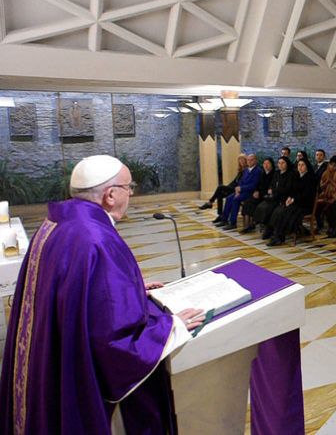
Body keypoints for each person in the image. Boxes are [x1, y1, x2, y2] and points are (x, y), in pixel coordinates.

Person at [0, 155, 204, 434]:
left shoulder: (58, 222)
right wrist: (171, 327)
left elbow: (72, 285)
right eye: (128, 187)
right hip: (84, 382)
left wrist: (129, 289)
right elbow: (114, 342)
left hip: (49, 358)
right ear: (110, 195)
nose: (130, 194)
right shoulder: (97, 238)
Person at [267, 159, 316, 246]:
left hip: (305, 205)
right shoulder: (297, 176)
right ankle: (278, 235)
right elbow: (293, 191)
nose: (300, 167)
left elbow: (306, 195)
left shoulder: (310, 178)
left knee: (287, 211)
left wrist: (294, 199)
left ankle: (279, 236)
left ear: (307, 167)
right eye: (299, 165)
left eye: (302, 165)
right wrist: (290, 198)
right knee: (282, 210)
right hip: (297, 203)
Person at [218, 154, 262, 229]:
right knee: (229, 198)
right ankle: (224, 219)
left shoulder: (258, 171)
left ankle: (233, 222)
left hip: (250, 192)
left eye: (251, 160)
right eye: (248, 160)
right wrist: (238, 190)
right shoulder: (245, 170)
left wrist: (241, 189)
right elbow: (240, 182)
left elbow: (254, 185)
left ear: (255, 161)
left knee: (236, 199)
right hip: (242, 191)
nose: (249, 161)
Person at [256, 157, 295, 235]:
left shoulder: (290, 174)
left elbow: (287, 189)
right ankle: (267, 226)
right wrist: (271, 189)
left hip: (283, 198)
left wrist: (274, 190)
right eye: (279, 163)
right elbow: (272, 184)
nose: (280, 165)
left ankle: (271, 229)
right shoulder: (277, 173)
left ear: (287, 164)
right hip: (274, 196)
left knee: (271, 208)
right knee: (262, 206)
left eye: (283, 163)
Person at [240, 157, 275, 233]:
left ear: (272, 165)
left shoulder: (274, 174)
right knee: (248, 202)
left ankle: (254, 223)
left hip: (267, 196)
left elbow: (271, 189)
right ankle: (247, 225)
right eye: (264, 163)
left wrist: (260, 192)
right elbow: (257, 185)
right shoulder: (263, 173)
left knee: (254, 203)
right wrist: (256, 191)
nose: (266, 165)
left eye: (268, 163)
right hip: (259, 194)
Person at [315, 156, 336, 236]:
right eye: (331, 165)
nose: (333, 167)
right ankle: (319, 224)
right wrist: (327, 182)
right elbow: (321, 186)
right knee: (316, 204)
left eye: (335, 165)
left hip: (335, 195)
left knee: (330, 206)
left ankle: (333, 227)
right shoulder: (325, 172)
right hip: (325, 194)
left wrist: (331, 182)